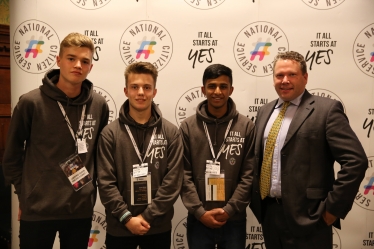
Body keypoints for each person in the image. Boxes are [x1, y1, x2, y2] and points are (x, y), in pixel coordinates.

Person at [250, 51, 368, 249]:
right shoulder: (264, 111)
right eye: (279, 75)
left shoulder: (327, 110)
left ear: (305, 77)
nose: (285, 80)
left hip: (310, 218)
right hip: (269, 215)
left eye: (292, 75)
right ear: (273, 79)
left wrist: (332, 209)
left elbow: (356, 161)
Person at [2, 32, 109, 249]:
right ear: (59, 60)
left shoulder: (99, 105)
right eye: (71, 58)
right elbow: (11, 156)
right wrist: (26, 194)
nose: (78, 65)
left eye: (85, 61)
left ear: (90, 67)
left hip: (79, 210)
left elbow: (100, 155)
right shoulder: (30, 103)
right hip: (39, 210)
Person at [96, 62, 183, 249]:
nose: (141, 92)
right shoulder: (110, 134)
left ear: (155, 91)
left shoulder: (171, 133)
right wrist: (127, 218)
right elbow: (105, 182)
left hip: (157, 226)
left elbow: (173, 182)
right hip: (120, 226)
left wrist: (147, 216)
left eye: (146, 87)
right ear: (126, 91)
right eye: (135, 87)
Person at [179, 64, 255, 249]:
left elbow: (249, 174)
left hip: (234, 219)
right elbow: (183, 174)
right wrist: (199, 212)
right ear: (203, 89)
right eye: (212, 86)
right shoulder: (188, 127)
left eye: (223, 86)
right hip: (199, 219)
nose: (217, 91)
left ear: (231, 89)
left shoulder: (246, 126)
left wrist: (229, 210)